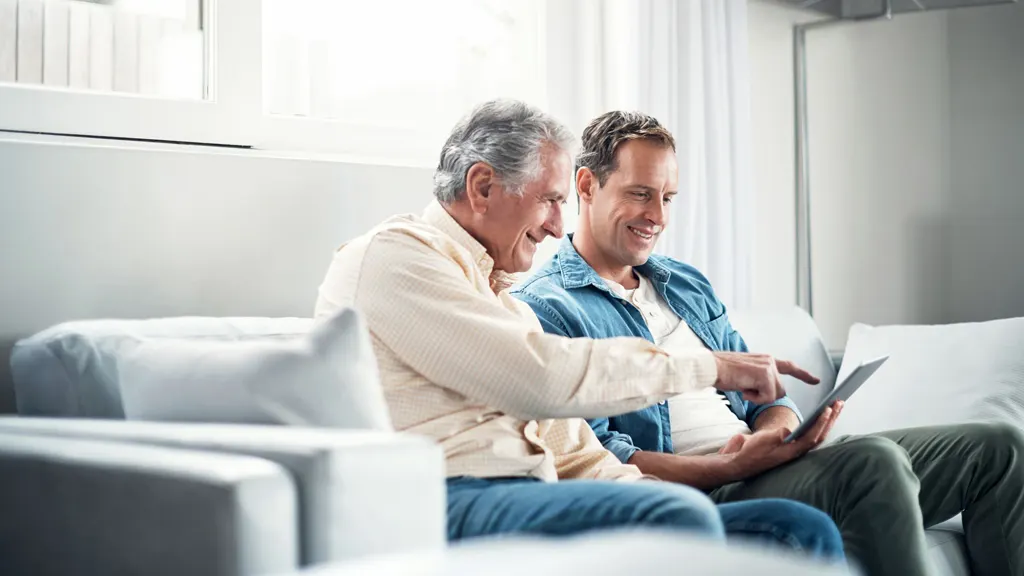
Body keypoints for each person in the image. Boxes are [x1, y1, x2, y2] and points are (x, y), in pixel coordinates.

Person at [313, 99, 844, 561]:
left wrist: (651, 489)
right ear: (482, 186)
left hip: (531, 493)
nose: (553, 225)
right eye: (550, 199)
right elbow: (538, 378)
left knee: (798, 529)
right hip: (440, 498)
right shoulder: (394, 256)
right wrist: (712, 368)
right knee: (676, 525)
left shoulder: (500, 300)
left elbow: (574, 452)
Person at [512, 109, 1024, 576]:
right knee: (875, 463)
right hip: (712, 489)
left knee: (999, 448)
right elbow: (602, 457)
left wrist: (778, 433)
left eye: (667, 198)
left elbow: (768, 394)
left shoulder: (683, 283)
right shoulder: (549, 306)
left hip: (766, 466)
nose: (658, 216)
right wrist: (730, 465)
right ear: (586, 184)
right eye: (640, 193)